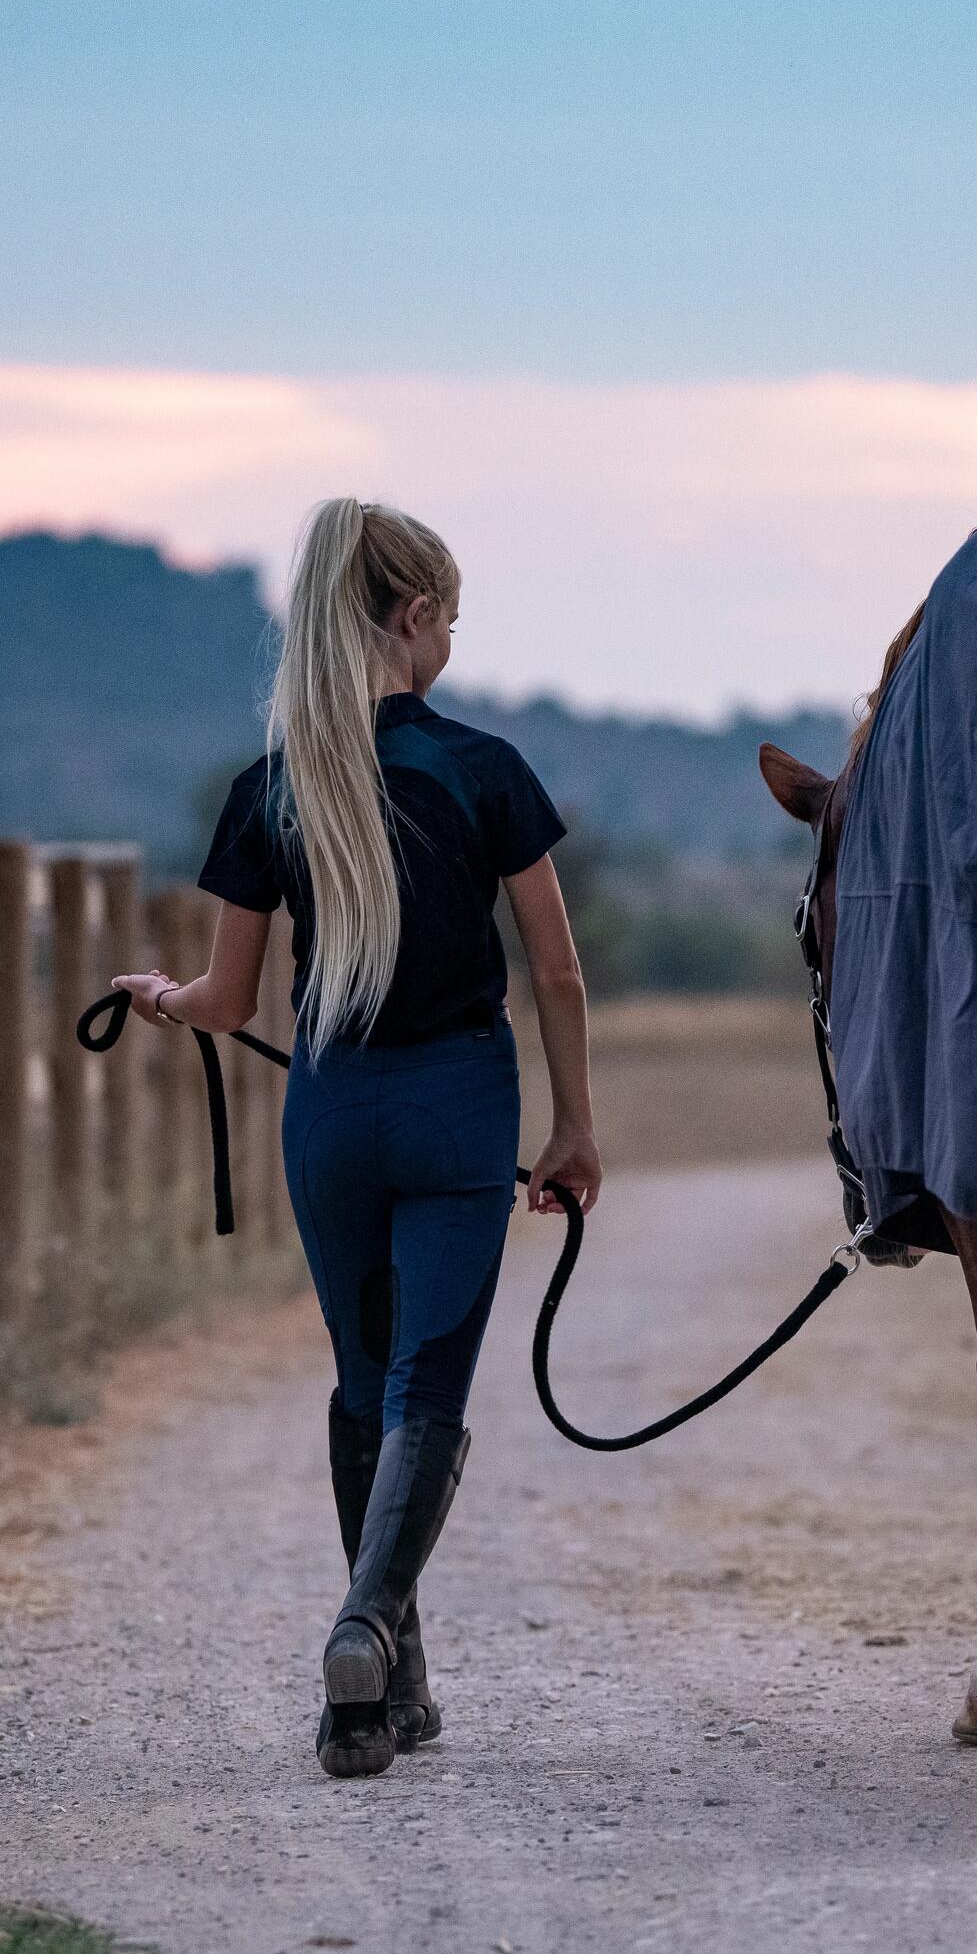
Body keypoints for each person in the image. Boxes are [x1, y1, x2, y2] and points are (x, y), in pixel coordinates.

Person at [116, 499, 602, 1780]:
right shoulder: (481, 767)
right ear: (411, 617)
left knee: (359, 1380)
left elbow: (229, 1004)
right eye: (448, 615)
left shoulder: (270, 788)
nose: (452, 637)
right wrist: (575, 1128)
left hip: (330, 1115)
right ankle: (366, 1626)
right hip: (458, 1108)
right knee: (425, 1390)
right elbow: (556, 971)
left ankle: (373, 1702)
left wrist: (160, 1000)